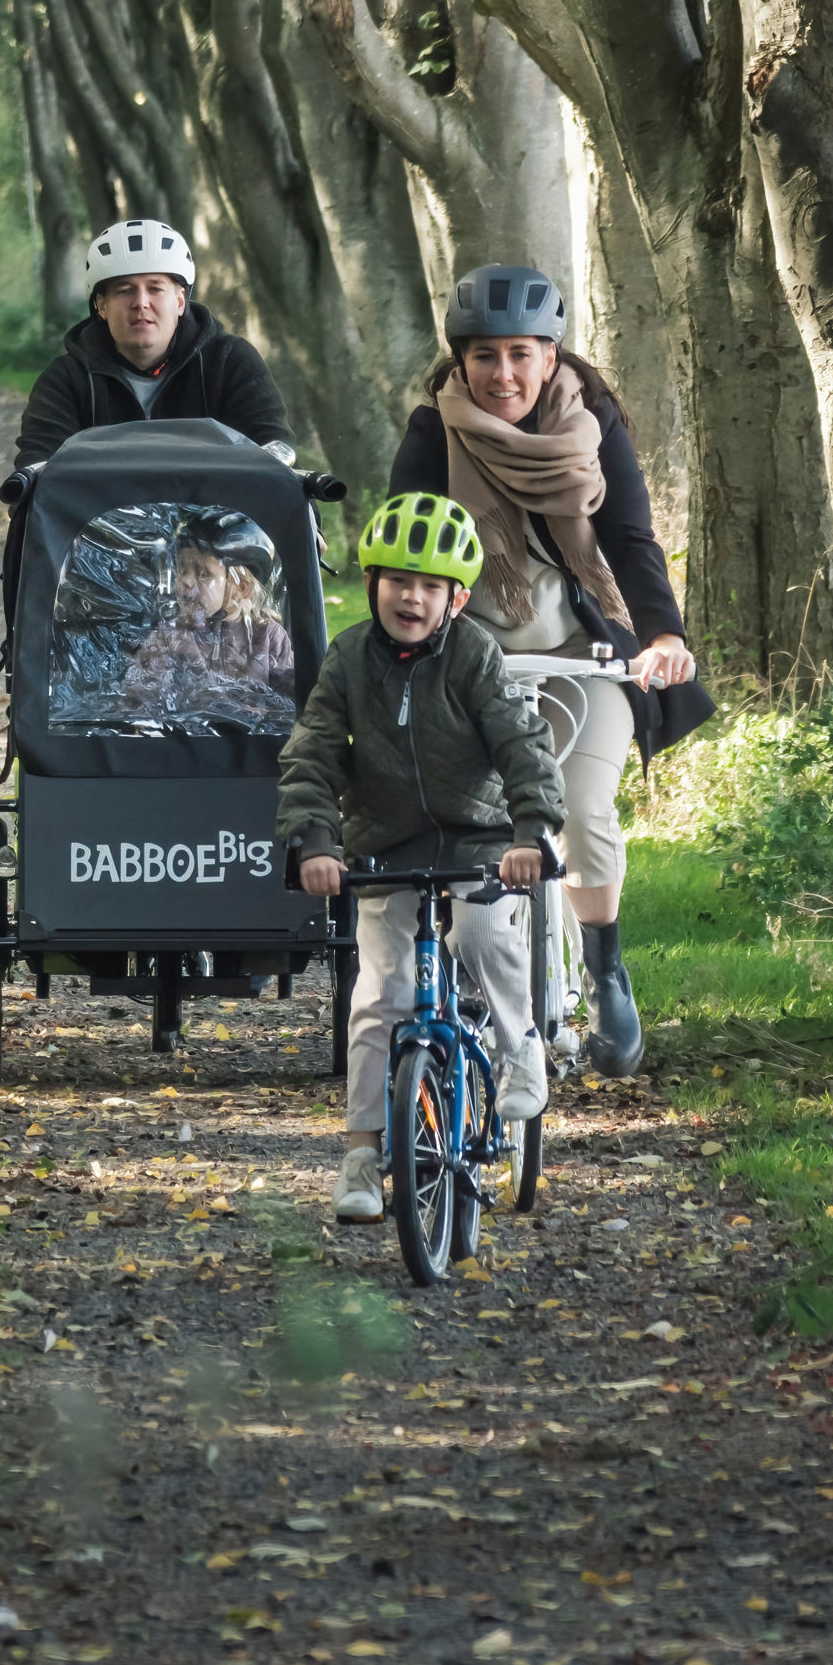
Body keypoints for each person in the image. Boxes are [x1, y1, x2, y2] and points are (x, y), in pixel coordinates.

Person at [387, 262, 713, 1077]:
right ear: (461, 360)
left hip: (582, 656)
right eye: (485, 356)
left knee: (585, 810)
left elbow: (630, 540)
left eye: (520, 354)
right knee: (471, 819)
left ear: (550, 356)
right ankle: (471, 972)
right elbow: (409, 550)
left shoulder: (592, 424)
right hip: (472, 658)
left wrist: (662, 635)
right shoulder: (433, 432)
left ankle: (605, 969)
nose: (503, 374)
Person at [275, 491, 565, 1227]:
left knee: (482, 934)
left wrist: (530, 833)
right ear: (372, 583)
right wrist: (316, 843)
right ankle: (361, 1155)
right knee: (380, 994)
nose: (411, 597)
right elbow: (311, 755)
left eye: (430, 586)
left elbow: (522, 744)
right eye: (398, 580)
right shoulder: (348, 660)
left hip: (479, 840)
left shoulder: (474, 655)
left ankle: (519, 1048)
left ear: (456, 600)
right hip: (386, 845)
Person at [12, 217, 293, 467]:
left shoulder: (229, 361)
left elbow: (272, 444)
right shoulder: (66, 379)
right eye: (125, 290)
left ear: (180, 302)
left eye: (155, 288)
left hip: (217, 509)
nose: (141, 303)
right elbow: (38, 459)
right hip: (103, 511)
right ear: (101, 306)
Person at [118, 523, 297, 727]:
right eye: (182, 570)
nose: (184, 581)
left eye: (203, 573)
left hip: (249, 741)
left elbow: (288, 703)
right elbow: (139, 697)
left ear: (241, 587)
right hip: (187, 739)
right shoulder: (170, 636)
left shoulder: (269, 636)